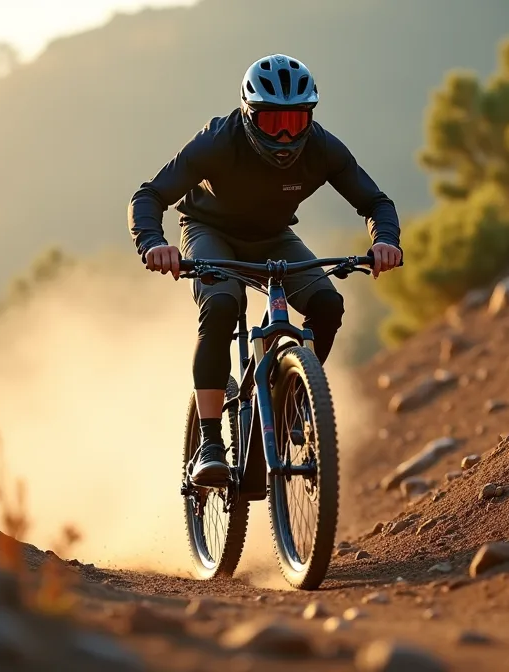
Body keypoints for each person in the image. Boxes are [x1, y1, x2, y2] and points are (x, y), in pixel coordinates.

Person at [128, 54, 402, 486]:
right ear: (248, 114)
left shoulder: (323, 148)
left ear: (310, 117)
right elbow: (148, 196)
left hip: (274, 238)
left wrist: (385, 240)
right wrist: (153, 244)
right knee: (221, 305)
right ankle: (211, 444)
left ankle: (291, 395)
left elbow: (375, 203)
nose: (286, 134)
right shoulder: (216, 141)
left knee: (328, 304)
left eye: (296, 121)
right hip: (209, 232)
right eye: (273, 122)